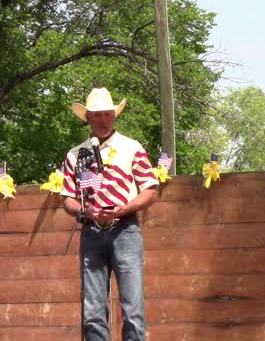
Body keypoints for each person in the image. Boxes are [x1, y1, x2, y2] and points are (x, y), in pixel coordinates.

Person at [60, 87, 159, 341]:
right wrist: (84, 211)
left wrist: (126, 208)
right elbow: (67, 198)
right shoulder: (75, 154)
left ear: (114, 115)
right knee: (92, 311)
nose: (102, 119)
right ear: (88, 118)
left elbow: (150, 191)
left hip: (125, 229)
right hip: (92, 232)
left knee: (133, 310)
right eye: (96, 115)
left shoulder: (132, 147)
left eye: (106, 114)